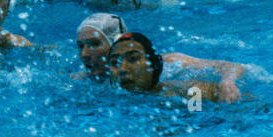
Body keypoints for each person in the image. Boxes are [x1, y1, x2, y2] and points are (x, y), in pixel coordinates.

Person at [74, 13, 249, 100]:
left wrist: (227, 82)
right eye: (81, 46)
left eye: (94, 44)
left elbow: (233, 66)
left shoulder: (170, 64)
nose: (85, 54)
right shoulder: (84, 80)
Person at [108, 32, 244, 103]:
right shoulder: (110, 98)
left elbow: (199, 117)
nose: (122, 69)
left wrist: (227, 81)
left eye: (133, 59)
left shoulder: (190, 91)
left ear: (153, 65)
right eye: (115, 62)